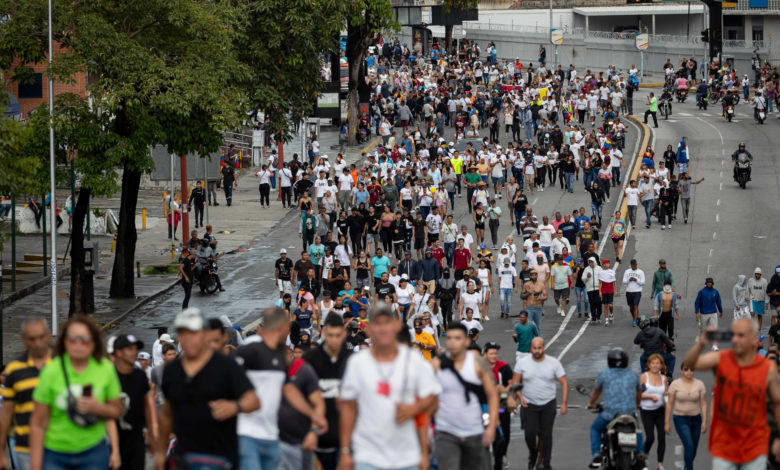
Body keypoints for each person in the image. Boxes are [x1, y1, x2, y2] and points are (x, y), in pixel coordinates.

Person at [338, 303, 442, 470]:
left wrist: (415, 408)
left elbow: (432, 399)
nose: (383, 329)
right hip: (367, 457)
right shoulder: (357, 363)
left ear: (396, 326)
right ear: (369, 329)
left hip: (406, 457)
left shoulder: (413, 360)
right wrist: (344, 452)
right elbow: (348, 408)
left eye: (387, 322)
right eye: (377, 324)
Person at [157, 308, 260, 469]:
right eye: (183, 334)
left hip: (221, 456)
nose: (188, 339)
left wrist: (235, 406)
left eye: (193, 333)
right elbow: (167, 413)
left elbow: (253, 400)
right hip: (185, 458)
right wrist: (160, 452)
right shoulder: (172, 371)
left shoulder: (227, 366)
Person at [682, 318, 780, 469]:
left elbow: (777, 403)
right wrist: (701, 344)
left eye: (741, 335)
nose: (735, 339)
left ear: (754, 339)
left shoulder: (768, 368)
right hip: (724, 444)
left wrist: (778, 439)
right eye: (733, 335)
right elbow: (690, 364)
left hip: (755, 444)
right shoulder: (720, 358)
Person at [29, 315, 123, 470]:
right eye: (73, 339)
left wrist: (97, 408)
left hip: (93, 452)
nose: (78, 344)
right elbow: (38, 423)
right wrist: (35, 465)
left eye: (85, 339)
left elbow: (116, 411)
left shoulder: (105, 368)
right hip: (54, 454)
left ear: (94, 342)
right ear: (64, 342)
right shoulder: (51, 371)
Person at [432, 323, 499, 469]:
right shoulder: (437, 364)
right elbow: (428, 396)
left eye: (457, 338)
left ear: (467, 341)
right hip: (446, 433)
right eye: (449, 338)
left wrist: (491, 427)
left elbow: (493, 395)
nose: (452, 342)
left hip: (474, 432)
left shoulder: (477, 363)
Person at [0, 317, 52, 470]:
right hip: (24, 446)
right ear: (24, 339)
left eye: (41, 337)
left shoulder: (62, 364)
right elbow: (6, 413)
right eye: (32, 339)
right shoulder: (14, 371)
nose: (37, 344)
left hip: (58, 446)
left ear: (48, 335)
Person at [510, 337, 568, 470]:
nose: (537, 351)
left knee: (546, 434)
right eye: (534, 348)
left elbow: (564, 382)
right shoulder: (522, 363)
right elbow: (515, 382)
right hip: (529, 404)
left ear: (544, 347)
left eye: (539, 348)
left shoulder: (553, 363)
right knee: (530, 433)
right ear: (530, 348)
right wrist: (516, 398)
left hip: (548, 403)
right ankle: (533, 452)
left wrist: (564, 403)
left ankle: (546, 463)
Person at [586, 348, 645, 468]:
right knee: (637, 430)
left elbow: (596, 392)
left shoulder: (604, 374)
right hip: (629, 413)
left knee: (595, 430)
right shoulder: (633, 374)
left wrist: (591, 403)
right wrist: (637, 404)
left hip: (610, 414)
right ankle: (640, 454)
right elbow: (639, 393)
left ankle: (597, 455)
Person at [112, 334, 157, 470]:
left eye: (135, 349)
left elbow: (147, 403)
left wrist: (151, 432)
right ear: (118, 353)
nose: (134, 353)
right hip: (114, 438)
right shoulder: (110, 376)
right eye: (129, 349)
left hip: (136, 438)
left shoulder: (140, 376)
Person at [664, 364, 707, 470]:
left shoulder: (699, 384)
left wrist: (704, 421)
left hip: (696, 419)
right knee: (689, 445)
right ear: (682, 371)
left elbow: (703, 403)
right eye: (686, 369)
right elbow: (669, 403)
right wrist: (667, 422)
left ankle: (686, 467)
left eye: (691, 369)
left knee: (694, 449)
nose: (689, 372)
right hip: (681, 419)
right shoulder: (675, 384)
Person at [639, 354, 669, 470]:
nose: (655, 366)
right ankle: (644, 458)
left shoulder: (664, 378)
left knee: (662, 437)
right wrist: (650, 397)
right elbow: (639, 395)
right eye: (653, 363)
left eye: (658, 363)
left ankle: (660, 465)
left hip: (660, 410)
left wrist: (667, 396)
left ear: (661, 365)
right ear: (649, 365)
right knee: (650, 437)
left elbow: (666, 393)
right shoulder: (644, 377)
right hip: (646, 411)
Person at [522, 269, 547, 334]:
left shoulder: (541, 285)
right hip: (529, 307)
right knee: (529, 326)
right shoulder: (526, 284)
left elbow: (546, 296)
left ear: (537, 276)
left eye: (535, 275)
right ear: (530, 276)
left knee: (537, 326)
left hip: (538, 307)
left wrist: (540, 298)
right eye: (532, 275)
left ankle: (538, 340)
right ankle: (529, 340)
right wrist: (528, 293)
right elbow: (522, 296)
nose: (533, 277)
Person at [622, 259, 646, 326]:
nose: (633, 267)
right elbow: (624, 281)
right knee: (631, 307)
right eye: (632, 265)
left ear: (636, 264)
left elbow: (643, 283)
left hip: (637, 291)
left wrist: (636, 280)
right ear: (631, 265)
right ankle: (634, 318)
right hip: (629, 291)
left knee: (636, 306)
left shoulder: (641, 272)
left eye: (634, 265)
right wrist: (629, 280)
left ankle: (635, 321)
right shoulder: (627, 271)